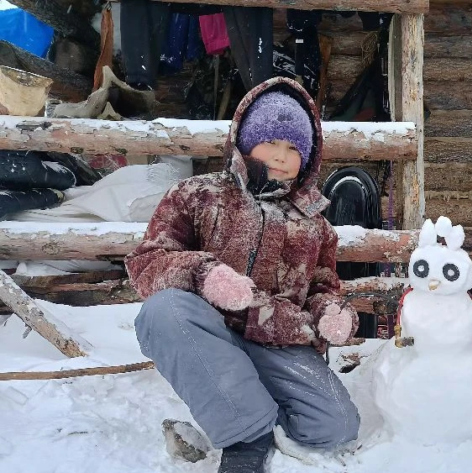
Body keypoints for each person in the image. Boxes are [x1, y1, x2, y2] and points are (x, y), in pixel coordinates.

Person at [126, 77, 360, 473]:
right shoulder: (197, 195)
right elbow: (147, 264)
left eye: (293, 149)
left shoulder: (315, 225)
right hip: (209, 333)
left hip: (277, 339)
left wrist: (333, 312)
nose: (281, 156)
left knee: (336, 426)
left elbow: (323, 286)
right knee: (163, 310)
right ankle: (247, 434)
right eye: (270, 142)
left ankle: (246, 400)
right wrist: (205, 274)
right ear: (245, 140)